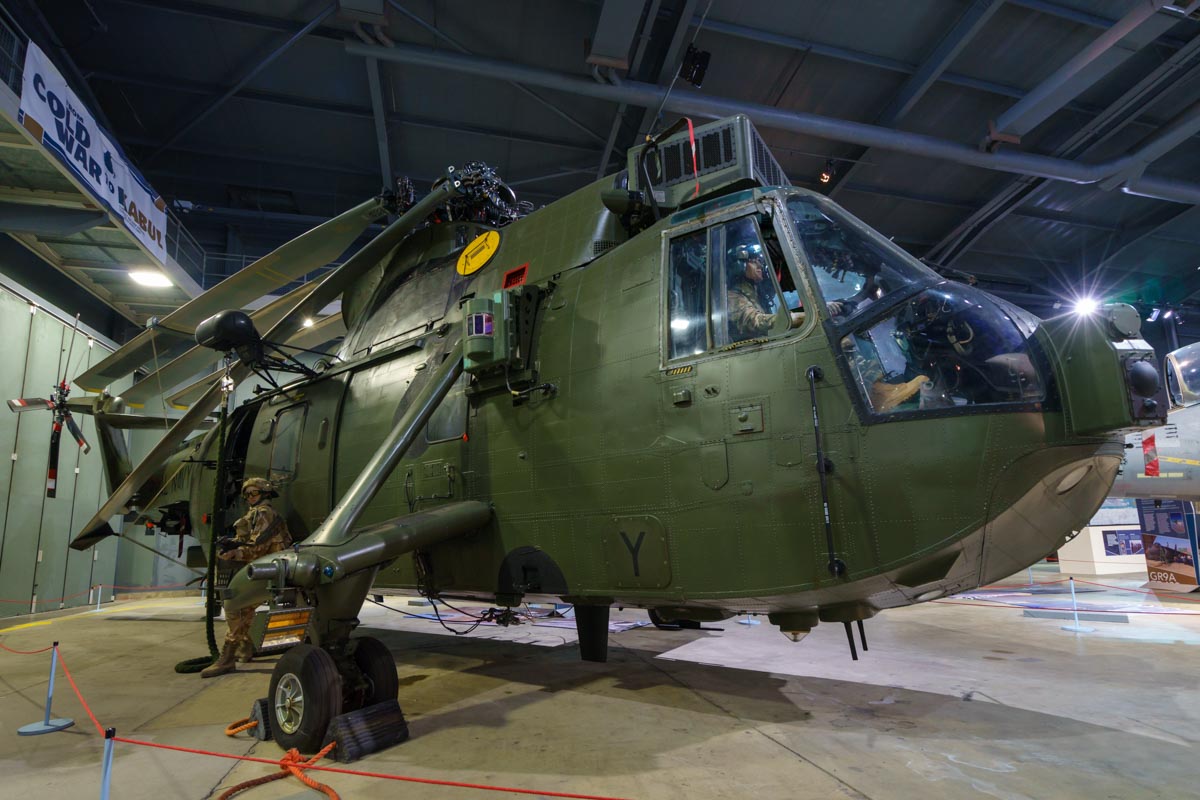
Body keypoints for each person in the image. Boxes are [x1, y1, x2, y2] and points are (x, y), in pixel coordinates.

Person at [200, 477, 293, 678]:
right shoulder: (255, 514)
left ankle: (228, 657)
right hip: (264, 569)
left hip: (269, 571)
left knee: (236, 606)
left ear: (265, 494)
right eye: (247, 494)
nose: (250, 497)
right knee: (241, 608)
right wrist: (233, 545)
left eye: (254, 493)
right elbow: (253, 541)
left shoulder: (264, 513)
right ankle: (245, 648)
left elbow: (258, 547)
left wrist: (236, 553)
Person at [727, 242, 802, 341]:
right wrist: (790, 319)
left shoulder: (757, 292)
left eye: (760, 261)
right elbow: (753, 320)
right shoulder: (732, 296)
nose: (760, 265)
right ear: (740, 265)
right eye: (753, 261)